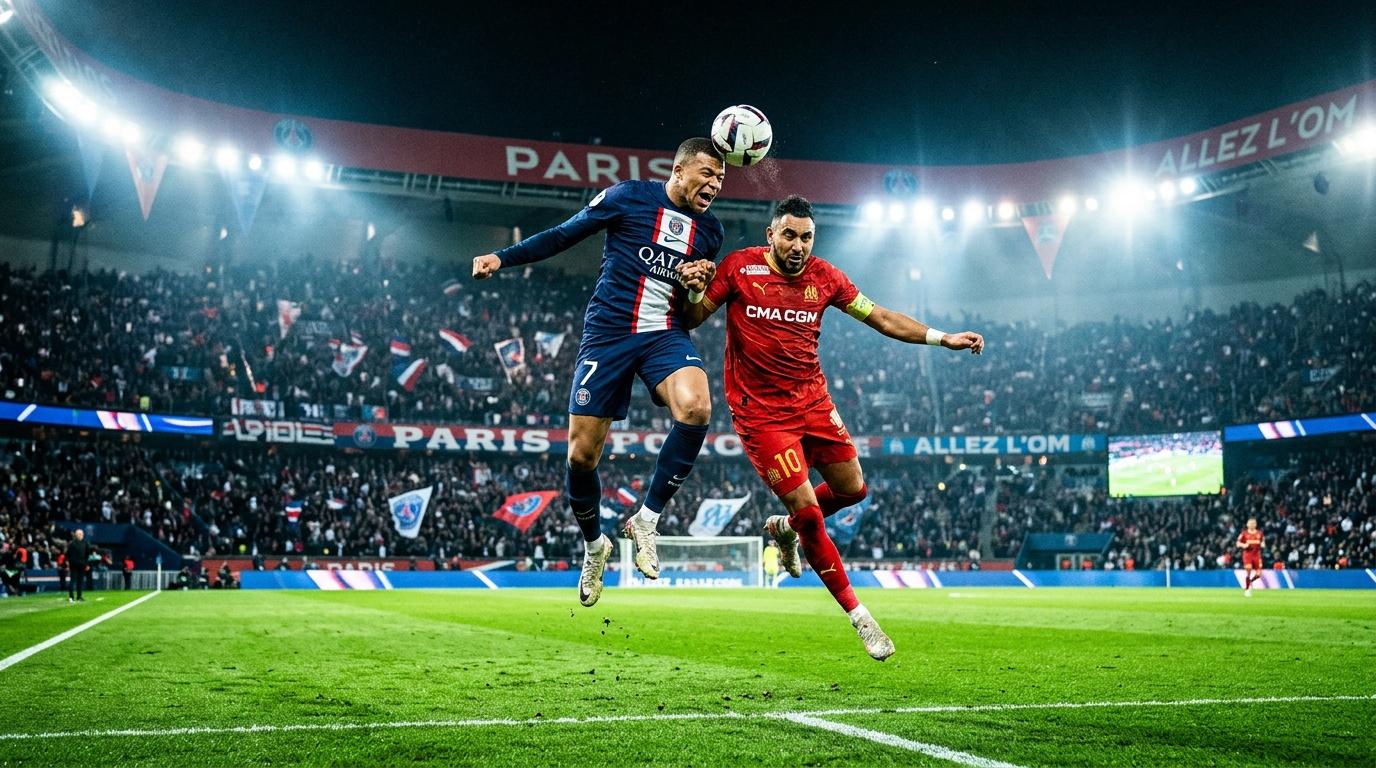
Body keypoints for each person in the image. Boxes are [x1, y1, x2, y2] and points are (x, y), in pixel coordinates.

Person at [684, 195, 984, 660]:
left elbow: (881, 317)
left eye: (806, 237)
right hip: (762, 415)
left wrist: (941, 337)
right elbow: (692, 317)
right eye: (789, 235)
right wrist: (690, 288)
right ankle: (861, 617)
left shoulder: (826, 278)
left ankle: (786, 528)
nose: (798, 245)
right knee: (809, 511)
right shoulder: (740, 268)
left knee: (854, 489)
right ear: (771, 235)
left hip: (814, 403)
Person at [471, 138, 727, 607]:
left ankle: (646, 520)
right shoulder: (627, 196)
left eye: (721, 179)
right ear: (679, 168)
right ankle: (595, 546)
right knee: (581, 458)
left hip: (663, 335)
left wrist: (696, 290)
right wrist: (501, 258)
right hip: (608, 336)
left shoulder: (710, 232)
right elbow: (563, 234)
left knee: (696, 407)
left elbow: (691, 313)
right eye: (707, 173)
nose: (714, 184)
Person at [1236, 517, 1264, 596]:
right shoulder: (1244, 533)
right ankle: (1247, 589)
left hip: (1256, 554)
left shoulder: (1259, 533)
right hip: (1248, 554)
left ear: (1256, 524)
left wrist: (1262, 544)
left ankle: (1250, 581)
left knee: (1258, 574)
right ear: (1247, 524)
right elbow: (1237, 543)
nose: (1252, 525)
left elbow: (1263, 542)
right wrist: (1244, 545)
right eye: (1250, 523)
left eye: (1253, 523)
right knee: (1248, 569)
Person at [66, 528, 90, 603]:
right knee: (73, 580)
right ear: (76, 535)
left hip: (81, 564)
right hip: (74, 564)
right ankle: (71, 596)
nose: (81, 535)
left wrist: (86, 564)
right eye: (79, 534)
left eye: (81, 534)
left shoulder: (85, 543)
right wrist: (69, 562)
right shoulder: (72, 544)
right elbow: (68, 554)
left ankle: (79, 596)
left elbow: (87, 555)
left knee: (80, 581)